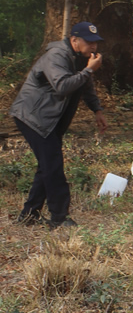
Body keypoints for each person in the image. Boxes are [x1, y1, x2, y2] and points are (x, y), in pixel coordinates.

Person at [10, 21, 107, 228]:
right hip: (33, 117)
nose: (94, 47)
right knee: (53, 166)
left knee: (47, 166)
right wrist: (89, 70)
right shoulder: (56, 56)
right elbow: (62, 86)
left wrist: (97, 110)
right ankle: (59, 218)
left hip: (50, 119)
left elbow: (85, 86)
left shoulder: (80, 58)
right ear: (74, 40)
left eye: (96, 43)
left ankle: (29, 216)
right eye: (89, 42)